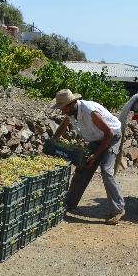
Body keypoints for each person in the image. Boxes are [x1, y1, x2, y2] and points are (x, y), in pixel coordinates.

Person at [51, 89, 126, 225]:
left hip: (112, 137)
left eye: (63, 108)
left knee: (106, 171)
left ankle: (118, 209)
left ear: (71, 103)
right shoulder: (71, 112)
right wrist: (53, 141)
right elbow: (63, 126)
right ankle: (69, 204)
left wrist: (95, 156)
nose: (62, 111)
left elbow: (108, 133)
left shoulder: (89, 111)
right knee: (83, 167)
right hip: (97, 138)